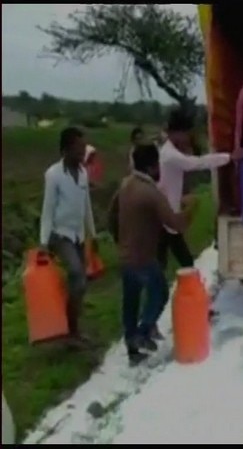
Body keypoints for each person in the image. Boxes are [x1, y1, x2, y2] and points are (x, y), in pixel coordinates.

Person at [108, 144, 187, 366]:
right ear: (153, 166)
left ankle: (132, 348)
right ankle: (143, 333)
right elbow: (174, 224)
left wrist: (120, 241)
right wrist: (189, 210)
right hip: (144, 257)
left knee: (130, 302)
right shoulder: (151, 193)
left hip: (125, 257)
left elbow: (110, 217)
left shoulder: (125, 185)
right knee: (160, 293)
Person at [157, 109, 231, 330]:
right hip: (164, 220)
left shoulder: (169, 151)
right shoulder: (170, 155)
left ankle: (196, 308)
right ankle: (158, 318)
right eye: (187, 133)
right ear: (176, 133)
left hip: (168, 218)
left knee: (181, 263)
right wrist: (228, 157)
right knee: (164, 270)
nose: (189, 138)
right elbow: (196, 163)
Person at [39, 127, 97, 348]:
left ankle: (72, 326)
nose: (83, 152)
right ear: (65, 150)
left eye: (83, 148)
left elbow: (86, 206)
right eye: (78, 148)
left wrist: (93, 233)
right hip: (59, 234)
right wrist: (44, 242)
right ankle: (71, 329)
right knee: (75, 273)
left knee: (80, 283)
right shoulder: (53, 175)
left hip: (78, 235)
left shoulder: (82, 173)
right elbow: (47, 210)